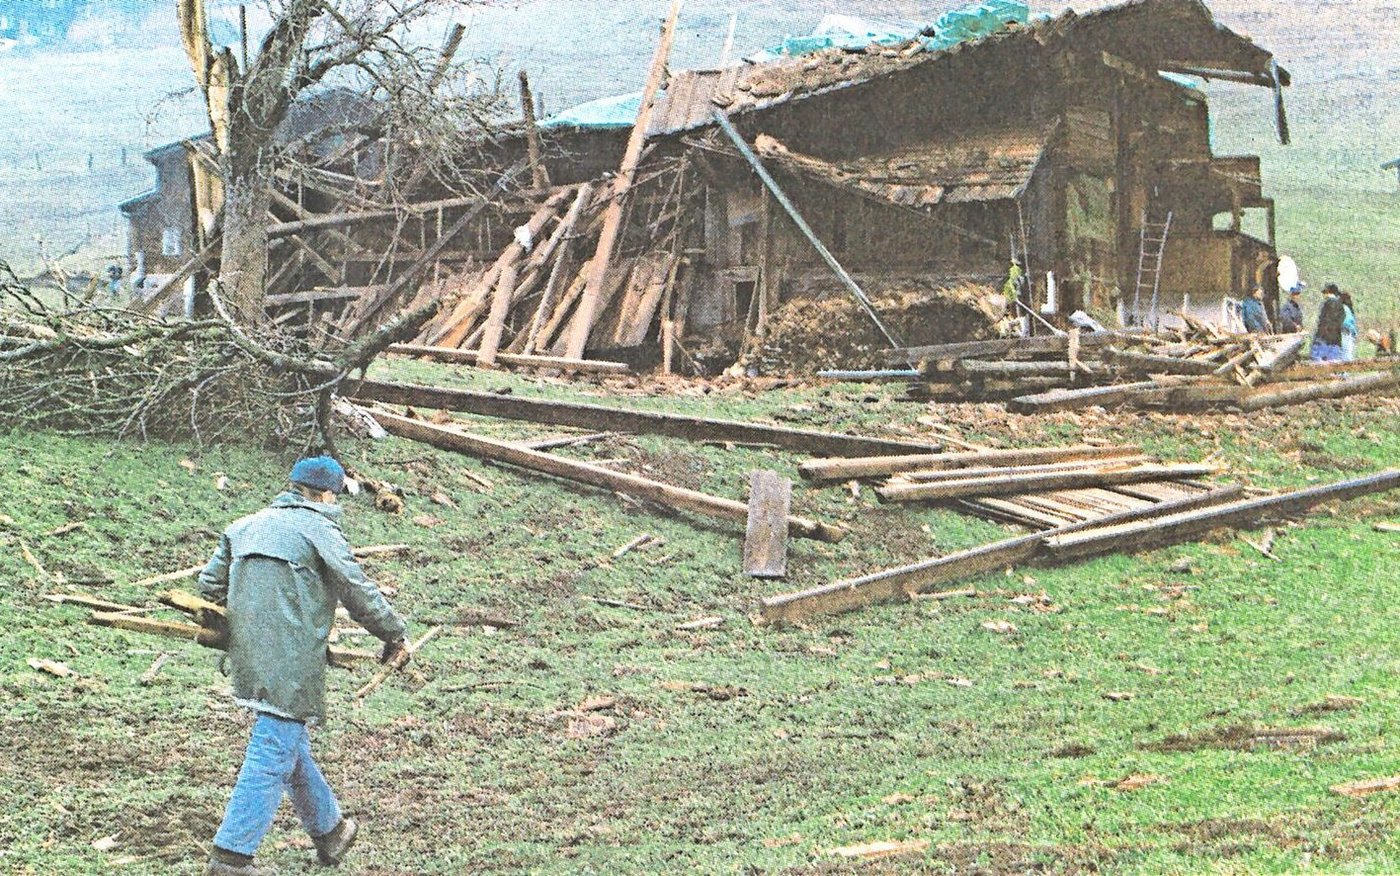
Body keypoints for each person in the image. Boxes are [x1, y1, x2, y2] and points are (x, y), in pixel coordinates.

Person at [197, 456, 409, 876]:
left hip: (246, 657)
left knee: (287, 741)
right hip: (292, 661)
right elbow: (357, 589)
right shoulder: (319, 529)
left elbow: (208, 586)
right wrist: (394, 633)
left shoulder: (244, 526)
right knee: (272, 748)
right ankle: (231, 858)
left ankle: (330, 831)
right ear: (326, 494)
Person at [1311, 283, 1346, 362]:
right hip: (1335, 338)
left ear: (1328, 293)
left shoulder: (1326, 304)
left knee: (1317, 362)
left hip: (1324, 338)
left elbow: (1323, 321)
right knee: (1333, 363)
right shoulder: (1340, 306)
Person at [1254, 250, 1281, 325]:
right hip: (1266, 293)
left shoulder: (1269, 266)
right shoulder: (1262, 267)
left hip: (1268, 293)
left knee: (1269, 311)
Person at [1340, 292, 1359, 362]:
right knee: (1348, 358)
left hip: (1343, 333)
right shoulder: (1350, 310)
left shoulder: (1342, 308)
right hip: (1349, 334)